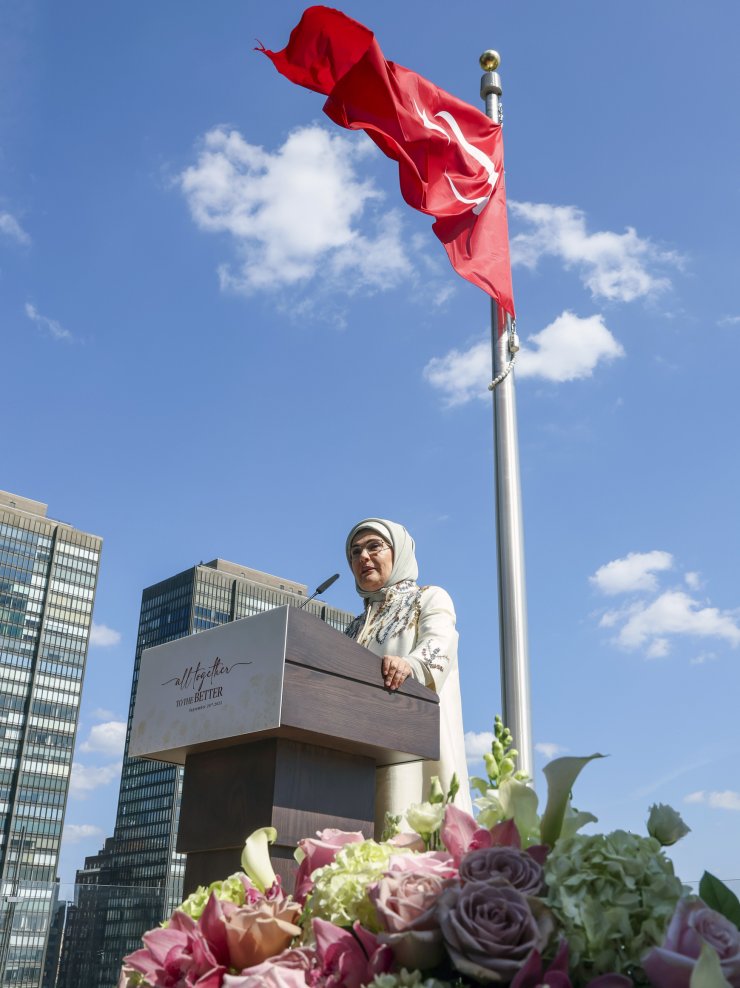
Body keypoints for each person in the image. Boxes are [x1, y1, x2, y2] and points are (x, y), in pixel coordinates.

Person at [344, 517, 472, 835]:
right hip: (357, 756)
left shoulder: (428, 598)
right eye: (355, 552)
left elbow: (439, 643)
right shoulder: (354, 627)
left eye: (374, 546)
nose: (363, 557)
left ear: (398, 552)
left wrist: (410, 665)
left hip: (412, 748)